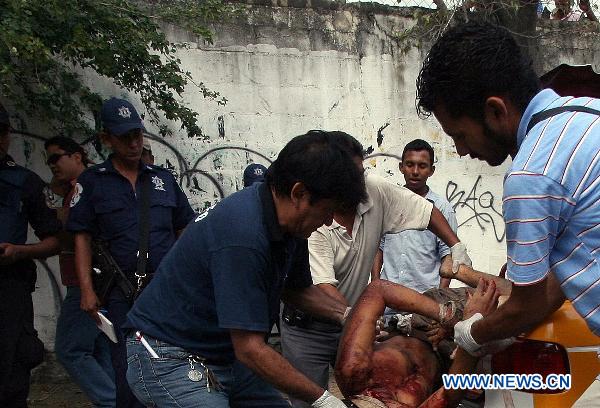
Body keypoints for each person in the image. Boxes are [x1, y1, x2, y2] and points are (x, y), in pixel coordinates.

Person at [415, 21, 600, 406]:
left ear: (495, 110)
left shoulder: (532, 174)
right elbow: (558, 282)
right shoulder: (587, 115)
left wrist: (471, 335)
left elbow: (529, 302)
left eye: (460, 136)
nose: (462, 152)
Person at [124, 130, 367, 408]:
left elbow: (295, 291)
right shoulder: (243, 235)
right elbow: (250, 349)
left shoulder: (290, 226)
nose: (327, 222)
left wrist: (349, 316)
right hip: (168, 355)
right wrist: (324, 400)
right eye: (327, 211)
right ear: (298, 193)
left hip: (225, 356)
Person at [281, 133, 471, 408]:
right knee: (309, 401)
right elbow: (326, 288)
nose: (361, 180)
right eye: (353, 175)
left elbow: (425, 211)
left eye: (361, 171)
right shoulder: (316, 222)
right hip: (309, 326)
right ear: (334, 179)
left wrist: (455, 245)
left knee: (356, 378)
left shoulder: (372, 189)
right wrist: (454, 324)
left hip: (355, 315)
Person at [67, 97, 195, 407]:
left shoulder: (162, 180)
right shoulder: (93, 182)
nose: (134, 143)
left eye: (137, 135)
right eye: (124, 137)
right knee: (127, 372)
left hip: (165, 293)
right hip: (120, 295)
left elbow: (186, 229)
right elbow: (81, 237)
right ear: (106, 139)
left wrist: (186, 277)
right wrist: (86, 290)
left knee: (174, 365)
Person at [335, 277, 500, 408]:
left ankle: (457, 271)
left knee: (502, 298)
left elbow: (378, 290)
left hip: (424, 325)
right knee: (506, 320)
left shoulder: (353, 371)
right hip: (452, 360)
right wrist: (471, 327)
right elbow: (449, 395)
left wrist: (447, 317)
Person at [45, 136, 116, 407]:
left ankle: (112, 402)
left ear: (78, 156)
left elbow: (78, 233)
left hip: (86, 283)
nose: (52, 164)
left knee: (69, 349)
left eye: (57, 157)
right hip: (91, 282)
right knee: (99, 351)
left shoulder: (86, 188)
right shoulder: (79, 188)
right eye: (48, 160)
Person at [0, 103, 61, 407]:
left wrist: (19, 252)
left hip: (10, 290)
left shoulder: (24, 182)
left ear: (6, 135)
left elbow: (54, 240)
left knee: (13, 372)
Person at [371, 139, 458, 300]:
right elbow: (379, 249)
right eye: (410, 164)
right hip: (387, 300)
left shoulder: (442, 208)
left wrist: (439, 298)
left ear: (431, 170)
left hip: (424, 300)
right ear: (401, 167)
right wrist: (375, 285)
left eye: (422, 166)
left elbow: (448, 256)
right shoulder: (387, 203)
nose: (415, 171)